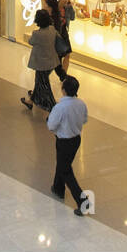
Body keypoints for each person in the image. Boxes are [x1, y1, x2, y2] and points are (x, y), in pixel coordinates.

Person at [46, 75, 88, 216]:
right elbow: (84, 120)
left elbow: (51, 125)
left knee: (65, 170)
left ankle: (82, 200)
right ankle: (58, 188)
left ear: (64, 89)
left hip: (63, 140)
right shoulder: (81, 104)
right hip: (76, 140)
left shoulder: (60, 107)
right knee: (63, 163)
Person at [20, 9, 59, 116]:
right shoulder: (52, 29)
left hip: (41, 64)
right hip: (52, 61)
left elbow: (30, 42)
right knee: (40, 82)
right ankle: (31, 100)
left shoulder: (37, 34)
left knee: (43, 84)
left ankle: (52, 106)